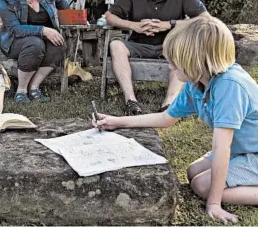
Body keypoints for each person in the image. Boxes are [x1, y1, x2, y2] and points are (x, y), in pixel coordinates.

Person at [92, 16, 258, 223]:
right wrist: (117, 121)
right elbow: (166, 118)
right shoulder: (195, 82)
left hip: (253, 153)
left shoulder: (230, 86)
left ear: (196, 61)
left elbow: (222, 147)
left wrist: (214, 203)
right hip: (239, 150)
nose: (169, 66)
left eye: (174, 61)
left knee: (201, 186)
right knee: (192, 172)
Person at [105, 0, 210, 115]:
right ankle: (131, 102)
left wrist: (169, 24)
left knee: (182, 48)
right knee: (116, 45)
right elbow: (110, 16)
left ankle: (168, 104)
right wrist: (134, 25)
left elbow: (205, 19)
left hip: (170, 46)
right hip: (139, 44)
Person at [0, 0, 69, 104]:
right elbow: (15, 29)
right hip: (15, 41)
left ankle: (34, 87)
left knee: (59, 44)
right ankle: (21, 91)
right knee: (35, 43)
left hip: (43, 38)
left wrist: (75, 18)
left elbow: (62, 2)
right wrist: (43, 30)